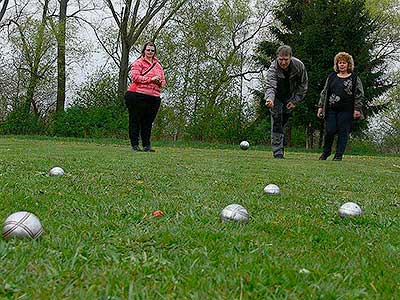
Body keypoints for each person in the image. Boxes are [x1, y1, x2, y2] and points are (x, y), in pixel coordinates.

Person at [317, 52, 364, 161]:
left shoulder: (354, 78)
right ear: (336, 64)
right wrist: (320, 107)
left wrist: (357, 109)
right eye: (339, 63)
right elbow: (324, 92)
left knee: (343, 132)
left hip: (347, 110)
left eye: (344, 63)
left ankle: (338, 155)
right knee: (329, 131)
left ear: (348, 65)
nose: (341, 65)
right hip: (331, 109)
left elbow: (359, 94)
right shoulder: (331, 77)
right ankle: (326, 152)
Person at [265, 45, 308, 159]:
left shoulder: (299, 66)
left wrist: (294, 101)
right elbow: (271, 86)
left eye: (286, 59)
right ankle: (278, 152)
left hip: (290, 96)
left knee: (285, 118)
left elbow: (303, 85)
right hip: (276, 97)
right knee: (277, 119)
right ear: (277, 58)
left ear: (290, 57)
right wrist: (270, 99)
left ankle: (280, 140)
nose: (283, 62)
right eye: (280, 59)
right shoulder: (272, 69)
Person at [125, 41, 166, 152]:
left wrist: (159, 82)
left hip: (154, 96)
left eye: (152, 50)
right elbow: (134, 77)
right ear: (144, 51)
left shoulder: (158, 65)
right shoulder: (138, 63)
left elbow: (163, 81)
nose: (150, 52)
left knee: (148, 122)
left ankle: (146, 145)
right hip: (137, 95)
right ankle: (134, 145)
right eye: (148, 50)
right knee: (135, 120)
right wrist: (150, 79)